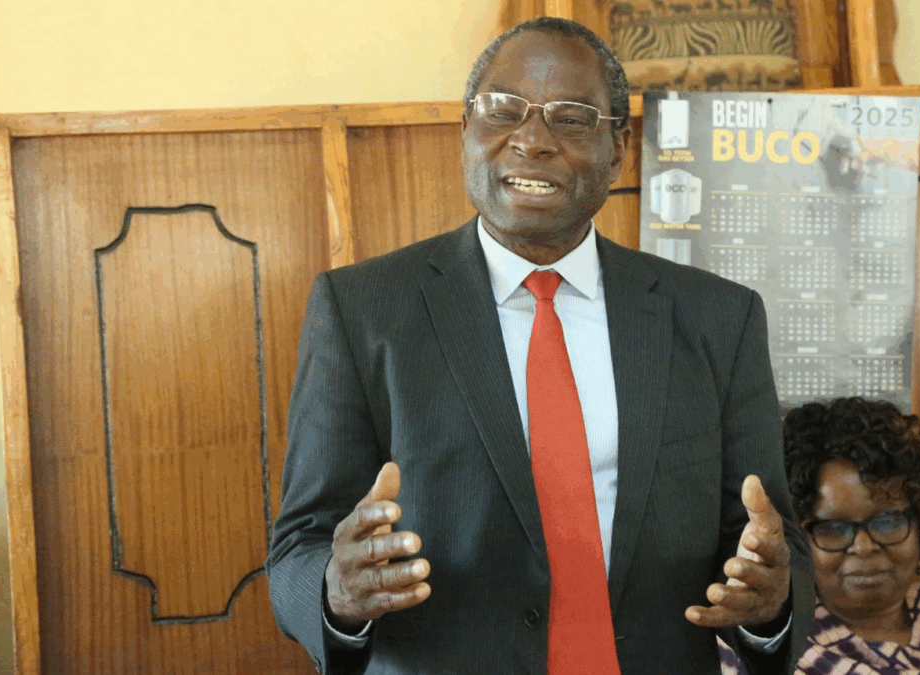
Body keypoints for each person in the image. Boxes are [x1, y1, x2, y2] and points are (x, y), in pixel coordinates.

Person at [267, 17, 813, 675]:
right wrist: (337, 591)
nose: (531, 140)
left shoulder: (718, 318)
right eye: (502, 110)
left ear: (618, 149)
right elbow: (300, 545)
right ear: (465, 130)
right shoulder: (362, 310)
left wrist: (771, 603)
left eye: (572, 118)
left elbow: (771, 543)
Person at [721, 396, 920, 674]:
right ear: (798, 536)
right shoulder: (767, 646)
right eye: (834, 529)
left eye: (887, 522)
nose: (864, 548)